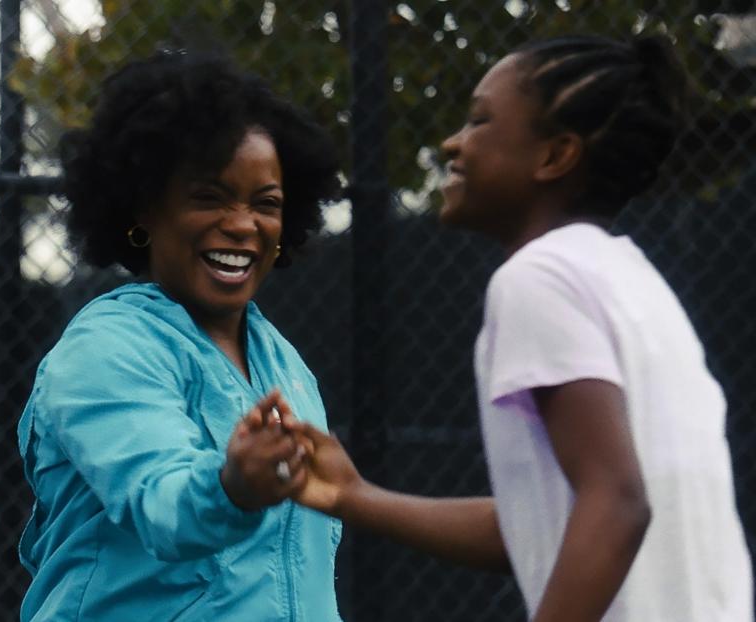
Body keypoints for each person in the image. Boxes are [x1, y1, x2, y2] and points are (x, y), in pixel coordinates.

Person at [280, 34, 754, 621]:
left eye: (479, 121)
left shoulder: (538, 278)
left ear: (555, 156)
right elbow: (541, 528)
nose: (454, 141)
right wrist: (354, 496)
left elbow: (617, 504)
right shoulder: (634, 283)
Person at [15, 51, 344, 621]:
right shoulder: (106, 349)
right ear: (143, 208)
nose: (243, 223)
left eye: (265, 204)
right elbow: (162, 502)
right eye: (209, 197)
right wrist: (231, 485)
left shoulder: (283, 363)